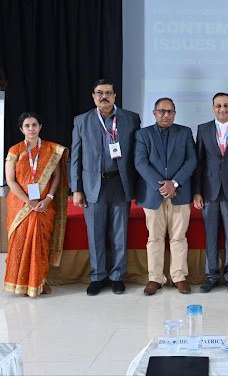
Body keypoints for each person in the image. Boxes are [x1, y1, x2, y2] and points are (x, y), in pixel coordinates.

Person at [71, 79, 141, 296]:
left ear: (114, 96)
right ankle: (98, 276)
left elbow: (137, 154)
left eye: (108, 93)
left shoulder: (131, 118)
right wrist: (76, 189)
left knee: (120, 233)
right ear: (93, 97)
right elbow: (76, 157)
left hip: (120, 183)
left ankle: (117, 276)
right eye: (100, 93)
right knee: (95, 234)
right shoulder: (81, 121)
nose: (104, 96)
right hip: (93, 185)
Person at [134, 98, 197, 296]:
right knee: (155, 238)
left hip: (180, 192)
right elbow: (140, 163)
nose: (166, 115)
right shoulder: (143, 134)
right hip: (153, 195)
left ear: (175, 113)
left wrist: (174, 183)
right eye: (162, 111)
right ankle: (155, 278)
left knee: (179, 237)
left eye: (170, 111)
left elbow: (191, 160)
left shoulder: (185, 132)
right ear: (154, 113)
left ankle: (179, 277)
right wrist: (161, 186)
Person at [4, 113, 68, 297]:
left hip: (44, 205)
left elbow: (57, 177)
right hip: (20, 205)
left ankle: (37, 283)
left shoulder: (51, 149)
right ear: (21, 129)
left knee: (40, 245)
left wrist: (48, 199)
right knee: (20, 244)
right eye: (27, 125)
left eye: (34, 125)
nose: (31, 128)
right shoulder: (15, 150)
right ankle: (18, 283)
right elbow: (10, 180)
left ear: (40, 126)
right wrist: (29, 201)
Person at [193, 92, 228, 293]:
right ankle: (211, 275)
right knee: (210, 234)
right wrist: (197, 192)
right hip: (208, 190)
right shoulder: (203, 129)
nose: (222, 109)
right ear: (213, 108)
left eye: (226, 105)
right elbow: (198, 163)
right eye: (218, 105)